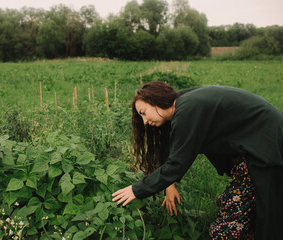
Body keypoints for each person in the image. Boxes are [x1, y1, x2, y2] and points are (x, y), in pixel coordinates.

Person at [112, 81, 283, 240]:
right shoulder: (182, 104)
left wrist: (137, 190)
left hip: (264, 142)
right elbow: (174, 150)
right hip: (254, 144)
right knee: (249, 205)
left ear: (156, 101)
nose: (145, 121)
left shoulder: (187, 110)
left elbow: (177, 164)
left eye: (144, 113)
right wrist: (168, 185)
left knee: (240, 218)